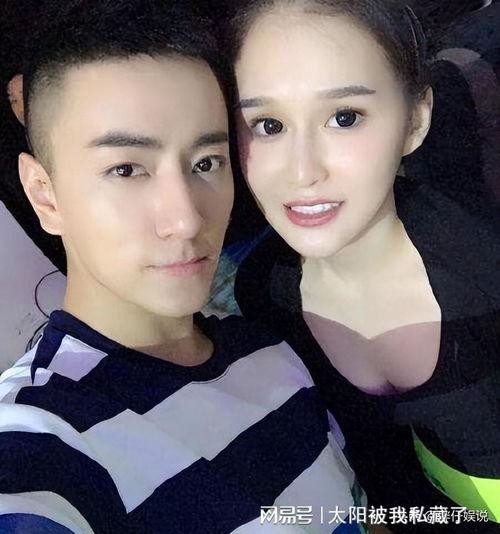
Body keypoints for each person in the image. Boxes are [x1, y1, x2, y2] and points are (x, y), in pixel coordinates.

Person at [0, 1, 364, 532]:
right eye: (127, 169)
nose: (187, 219)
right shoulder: (41, 435)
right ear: (44, 194)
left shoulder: (269, 349)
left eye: (206, 163)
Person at [225, 0, 500, 530]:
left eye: (344, 117)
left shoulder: (484, 262)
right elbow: (382, 470)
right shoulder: (266, 290)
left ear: (415, 120)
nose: (302, 172)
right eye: (268, 124)